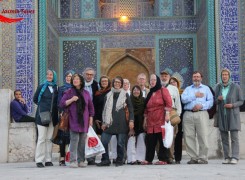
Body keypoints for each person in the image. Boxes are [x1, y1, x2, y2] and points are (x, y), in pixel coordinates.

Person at [96, 76, 134, 167]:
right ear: (113, 83)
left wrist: (131, 120)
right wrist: (104, 122)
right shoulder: (108, 95)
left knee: (120, 143)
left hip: (121, 122)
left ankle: (119, 160)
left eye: (119, 82)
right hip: (109, 123)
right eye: (115, 82)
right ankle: (105, 160)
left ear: (121, 84)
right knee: (104, 141)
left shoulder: (125, 94)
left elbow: (131, 109)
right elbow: (104, 110)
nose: (117, 84)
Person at [60, 73, 94, 168]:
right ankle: (73, 161)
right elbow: (62, 104)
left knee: (82, 141)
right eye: (74, 79)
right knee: (74, 140)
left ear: (81, 81)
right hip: (73, 119)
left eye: (77, 79)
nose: (75, 80)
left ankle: (81, 160)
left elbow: (90, 107)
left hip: (84, 120)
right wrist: (71, 100)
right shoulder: (69, 92)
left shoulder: (86, 93)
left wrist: (91, 118)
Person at [181, 71, 213, 164]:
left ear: (201, 78)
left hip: (201, 114)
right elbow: (183, 99)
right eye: (194, 77)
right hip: (188, 114)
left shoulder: (206, 89)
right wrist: (194, 95)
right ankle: (193, 158)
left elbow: (210, 101)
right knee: (189, 136)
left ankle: (203, 157)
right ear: (192, 78)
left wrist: (201, 106)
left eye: (198, 77)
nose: (196, 78)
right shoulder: (187, 89)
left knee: (203, 135)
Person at [214, 68, 244, 164]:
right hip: (222, 116)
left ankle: (235, 157)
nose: (224, 76)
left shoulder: (235, 87)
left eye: (226, 74)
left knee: (234, 138)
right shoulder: (218, 87)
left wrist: (233, 105)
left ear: (229, 76)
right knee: (224, 137)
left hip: (233, 115)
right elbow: (214, 101)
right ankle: (227, 157)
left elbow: (241, 101)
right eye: (223, 75)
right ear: (221, 76)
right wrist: (218, 99)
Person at [141, 74, 172, 165]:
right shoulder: (150, 92)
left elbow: (169, 103)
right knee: (150, 140)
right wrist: (145, 120)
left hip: (161, 118)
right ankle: (148, 159)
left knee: (162, 140)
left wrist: (167, 114)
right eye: (151, 80)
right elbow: (146, 108)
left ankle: (163, 159)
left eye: (154, 80)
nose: (152, 81)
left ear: (157, 81)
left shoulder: (163, 90)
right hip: (151, 120)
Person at [33, 70, 59, 168]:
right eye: (47, 74)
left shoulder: (56, 87)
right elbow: (35, 99)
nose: (49, 76)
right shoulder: (41, 87)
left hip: (53, 117)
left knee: (49, 139)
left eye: (51, 74)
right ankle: (39, 160)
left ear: (54, 76)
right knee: (41, 138)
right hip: (42, 116)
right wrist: (44, 107)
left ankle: (48, 160)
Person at [160, 70, 182, 164]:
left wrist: (178, 115)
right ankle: (162, 156)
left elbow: (177, 103)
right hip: (160, 114)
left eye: (166, 76)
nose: (164, 77)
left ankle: (170, 157)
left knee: (171, 136)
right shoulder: (158, 87)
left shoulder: (173, 89)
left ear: (169, 77)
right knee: (161, 135)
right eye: (162, 76)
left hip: (171, 113)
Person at [56, 70, 74, 166]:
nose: (68, 78)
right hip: (64, 114)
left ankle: (70, 156)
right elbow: (59, 101)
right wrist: (61, 112)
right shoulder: (62, 88)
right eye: (67, 76)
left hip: (73, 115)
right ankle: (62, 157)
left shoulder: (75, 88)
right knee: (63, 136)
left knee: (72, 136)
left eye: (70, 76)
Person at [83, 67, 98, 165]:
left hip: (92, 114)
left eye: (91, 74)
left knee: (92, 136)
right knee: (82, 136)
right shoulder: (80, 84)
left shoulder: (96, 85)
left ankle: (92, 158)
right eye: (87, 74)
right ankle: (82, 157)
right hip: (81, 114)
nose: (89, 76)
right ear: (84, 75)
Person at [127, 85, 146, 164]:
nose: (136, 91)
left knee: (141, 139)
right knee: (131, 140)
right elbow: (127, 112)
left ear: (140, 92)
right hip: (131, 122)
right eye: (134, 90)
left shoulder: (143, 100)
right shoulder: (129, 100)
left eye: (138, 90)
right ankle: (131, 159)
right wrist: (130, 127)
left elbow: (146, 111)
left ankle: (140, 158)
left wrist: (145, 121)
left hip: (141, 123)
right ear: (132, 91)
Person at [169, 76, 184, 164]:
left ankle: (178, 157)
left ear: (178, 83)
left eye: (174, 82)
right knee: (170, 136)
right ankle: (170, 156)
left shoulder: (182, 93)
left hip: (179, 118)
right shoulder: (168, 93)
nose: (173, 84)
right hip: (170, 117)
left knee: (178, 137)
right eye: (171, 82)